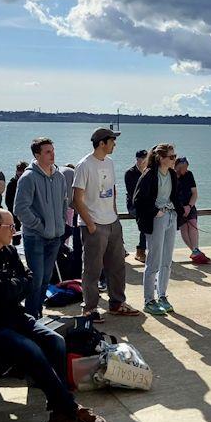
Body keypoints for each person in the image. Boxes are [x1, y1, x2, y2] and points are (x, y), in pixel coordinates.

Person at [0, 208, 105, 422]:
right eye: (10, 227)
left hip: (14, 317)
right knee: (32, 350)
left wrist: (12, 286)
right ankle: (70, 408)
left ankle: (59, 413)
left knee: (56, 341)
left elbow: (30, 280)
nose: (14, 231)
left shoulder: (7, 251)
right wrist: (15, 286)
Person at [72, 128, 139, 322]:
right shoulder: (84, 165)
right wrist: (91, 224)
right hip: (94, 224)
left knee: (118, 266)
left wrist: (115, 215)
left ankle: (117, 303)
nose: (115, 144)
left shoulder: (109, 163)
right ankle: (90, 308)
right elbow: (77, 199)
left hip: (112, 222)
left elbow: (113, 190)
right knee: (92, 269)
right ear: (102, 143)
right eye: (112, 141)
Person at [13, 138, 67, 319]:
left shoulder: (59, 177)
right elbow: (20, 209)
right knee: (35, 279)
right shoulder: (28, 178)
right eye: (47, 152)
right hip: (35, 237)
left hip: (55, 236)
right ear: (37, 155)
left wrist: (60, 224)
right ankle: (30, 316)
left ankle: (38, 313)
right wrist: (40, 226)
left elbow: (64, 202)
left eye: (52, 150)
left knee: (46, 278)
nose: (52, 154)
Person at [133, 144, 183, 316]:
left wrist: (178, 211)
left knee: (167, 260)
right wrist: (156, 212)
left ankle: (162, 296)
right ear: (161, 158)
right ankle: (149, 300)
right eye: (171, 156)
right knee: (153, 260)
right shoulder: (149, 175)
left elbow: (175, 196)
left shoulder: (172, 174)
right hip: (157, 219)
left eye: (174, 156)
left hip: (170, 217)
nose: (174, 159)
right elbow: (138, 200)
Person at [175, 157, 209, 264]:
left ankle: (195, 249)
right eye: (184, 167)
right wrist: (181, 208)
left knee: (193, 224)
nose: (186, 170)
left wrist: (189, 206)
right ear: (178, 167)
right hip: (177, 207)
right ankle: (194, 251)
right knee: (184, 228)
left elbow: (194, 193)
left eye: (187, 167)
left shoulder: (189, 175)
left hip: (190, 204)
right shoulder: (171, 175)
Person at [124, 150, 148, 263]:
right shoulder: (130, 173)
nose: (143, 161)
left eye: (145, 159)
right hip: (134, 205)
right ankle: (141, 251)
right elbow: (132, 193)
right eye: (141, 159)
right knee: (145, 218)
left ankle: (155, 250)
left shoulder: (149, 172)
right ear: (137, 159)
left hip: (147, 204)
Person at [5, 161, 29, 229]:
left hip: (27, 214)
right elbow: (8, 202)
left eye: (23, 170)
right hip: (15, 216)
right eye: (19, 170)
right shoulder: (11, 184)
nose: (20, 172)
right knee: (16, 237)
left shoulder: (30, 183)